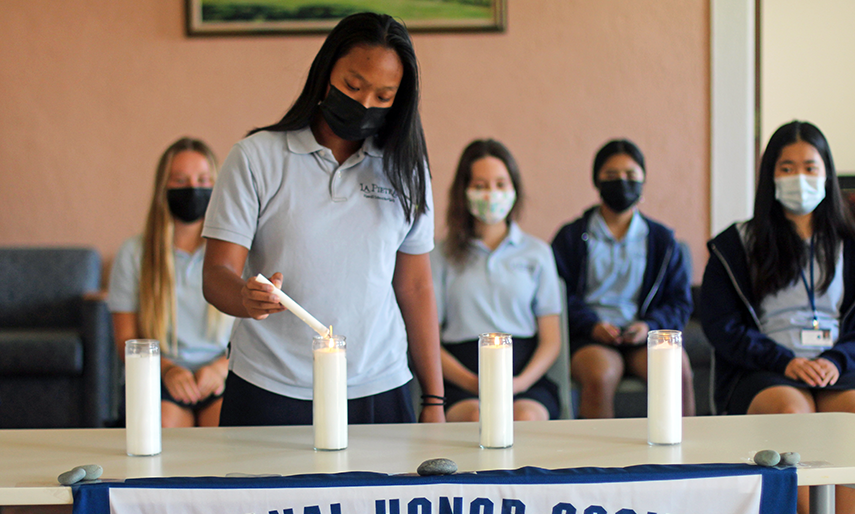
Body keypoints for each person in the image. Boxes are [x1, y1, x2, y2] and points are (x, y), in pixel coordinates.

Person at [201, 13, 445, 426]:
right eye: (353, 85)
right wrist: (244, 297)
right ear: (325, 72)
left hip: (377, 386)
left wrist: (434, 400)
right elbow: (216, 273)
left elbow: (416, 287)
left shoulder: (407, 169)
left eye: (383, 96)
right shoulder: (257, 157)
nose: (365, 103)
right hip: (270, 386)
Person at [702, 120, 855, 514]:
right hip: (765, 365)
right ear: (770, 176)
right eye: (786, 167)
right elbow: (721, 326)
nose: (799, 178)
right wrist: (785, 362)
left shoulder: (853, 245)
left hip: (836, 364)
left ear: (827, 173)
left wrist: (833, 361)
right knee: (793, 416)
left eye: (809, 167)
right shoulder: (737, 245)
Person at [551, 139, 695, 419]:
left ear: (643, 181)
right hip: (591, 336)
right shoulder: (570, 236)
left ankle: (681, 458)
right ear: (596, 181)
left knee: (677, 369)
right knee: (600, 375)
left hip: (645, 335)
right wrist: (592, 325)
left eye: (631, 175)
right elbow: (557, 294)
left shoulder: (662, 240)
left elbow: (680, 302)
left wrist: (649, 326)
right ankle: (598, 462)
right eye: (611, 176)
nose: (622, 182)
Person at [431, 139, 562, 422]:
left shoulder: (537, 253)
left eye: (500, 184)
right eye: (480, 185)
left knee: (525, 417)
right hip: (461, 376)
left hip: (524, 375)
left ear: (514, 189)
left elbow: (551, 339)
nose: (491, 194)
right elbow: (429, 338)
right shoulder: (441, 254)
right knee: (476, 418)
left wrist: (521, 383)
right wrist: (470, 382)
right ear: (463, 192)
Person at [108, 137, 232, 427]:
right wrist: (167, 371)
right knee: (164, 426)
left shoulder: (234, 254)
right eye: (180, 180)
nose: (193, 188)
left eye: (203, 179)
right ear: (163, 188)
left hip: (220, 375)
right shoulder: (133, 254)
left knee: (226, 433)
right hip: (158, 374)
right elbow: (125, 339)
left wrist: (220, 369)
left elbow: (257, 332)